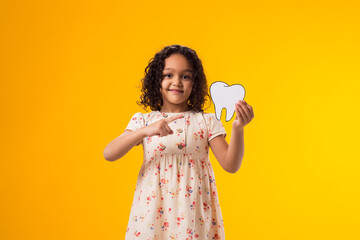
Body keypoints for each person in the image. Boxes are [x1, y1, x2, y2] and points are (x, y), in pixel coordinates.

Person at [103, 44, 254, 239]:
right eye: (168, 75)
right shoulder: (144, 121)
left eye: (186, 76)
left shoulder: (206, 121)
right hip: (152, 215)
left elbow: (231, 165)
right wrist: (145, 131)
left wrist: (238, 129)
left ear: (195, 82)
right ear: (156, 80)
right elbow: (109, 153)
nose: (177, 82)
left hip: (194, 216)